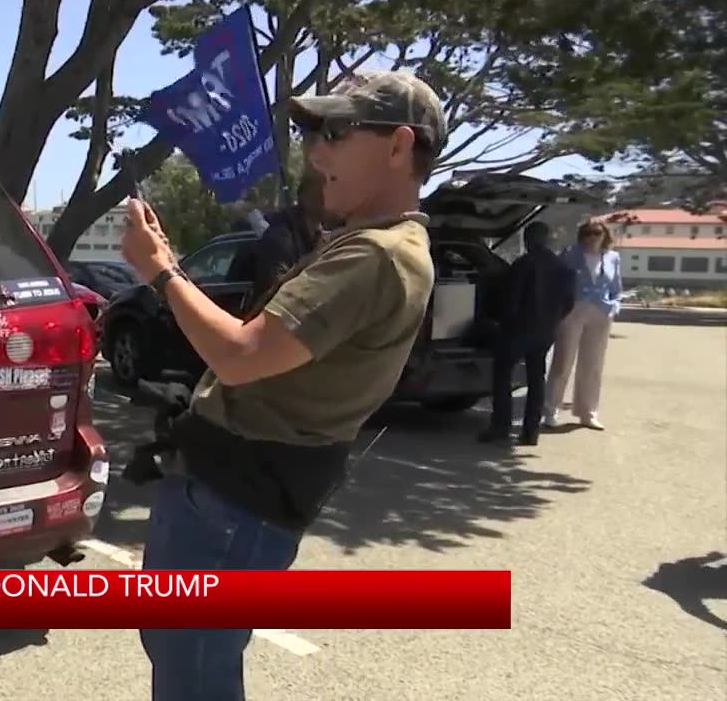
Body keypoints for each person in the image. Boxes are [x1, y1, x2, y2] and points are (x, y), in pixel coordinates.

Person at [120, 70, 445, 701]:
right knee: (183, 656)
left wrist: (158, 270)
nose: (317, 150)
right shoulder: (362, 243)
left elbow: (241, 355)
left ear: (400, 146)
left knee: (194, 675)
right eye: (312, 132)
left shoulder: (377, 254)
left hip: (238, 499)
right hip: (231, 486)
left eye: (335, 131)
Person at [478, 221, 576, 445]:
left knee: (502, 377)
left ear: (528, 239)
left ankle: (500, 427)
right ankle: (530, 432)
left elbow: (510, 300)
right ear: (548, 239)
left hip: (517, 330)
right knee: (536, 379)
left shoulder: (523, 264)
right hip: (545, 331)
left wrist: (501, 322)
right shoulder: (563, 268)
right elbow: (569, 303)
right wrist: (552, 320)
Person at [543, 219, 624, 430]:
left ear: (605, 235)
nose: (592, 237)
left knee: (593, 365)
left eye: (596, 233)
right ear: (581, 235)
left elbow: (616, 287)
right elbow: (556, 282)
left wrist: (614, 306)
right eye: (587, 233)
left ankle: (588, 413)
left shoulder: (613, 257)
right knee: (562, 363)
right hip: (573, 311)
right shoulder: (570, 253)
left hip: (601, 312)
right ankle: (551, 410)